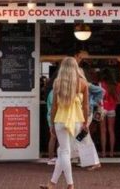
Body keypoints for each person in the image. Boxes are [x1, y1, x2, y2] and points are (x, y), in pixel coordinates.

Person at [40, 57, 88, 189]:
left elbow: (54, 107)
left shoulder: (57, 83)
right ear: (75, 68)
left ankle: (70, 184)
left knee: (64, 151)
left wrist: (51, 124)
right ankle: (52, 183)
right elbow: (86, 106)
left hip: (60, 120)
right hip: (77, 121)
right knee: (63, 151)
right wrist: (86, 123)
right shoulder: (83, 83)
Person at [73, 51, 103, 170]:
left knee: (83, 135)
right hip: (81, 112)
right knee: (83, 136)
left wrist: (92, 102)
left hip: (86, 112)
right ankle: (86, 160)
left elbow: (101, 92)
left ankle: (93, 161)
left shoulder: (85, 84)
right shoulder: (79, 84)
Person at [99, 69, 120, 158]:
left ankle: (103, 152)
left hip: (102, 108)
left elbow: (99, 97)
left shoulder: (101, 84)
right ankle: (111, 152)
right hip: (112, 109)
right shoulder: (117, 85)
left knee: (103, 131)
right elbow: (118, 99)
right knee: (111, 130)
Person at [45, 79, 58, 165]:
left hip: (51, 117)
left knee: (54, 137)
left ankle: (52, 157)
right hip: (54, 117)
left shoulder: (51, 93)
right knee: (54, 137)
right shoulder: (54, 93)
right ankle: (51, 158)